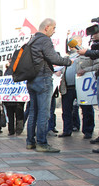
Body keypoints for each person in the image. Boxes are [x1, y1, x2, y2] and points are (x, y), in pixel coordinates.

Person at [26, 18, 72, 153]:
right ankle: (42, 143)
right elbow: (53, 58)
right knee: (43, 112)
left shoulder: (31, 40)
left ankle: (30, 141)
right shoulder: (44, 40)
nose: (54, 31)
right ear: (47, 27)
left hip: (32, 79)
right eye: (54, 28)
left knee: (33, 111)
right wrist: (68, 61)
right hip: (43, 78)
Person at [59, 35, 96, 139]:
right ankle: (67, 130)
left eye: (73, 42)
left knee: (86, 109)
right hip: (68, 87)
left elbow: (96, 65)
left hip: (82, 87)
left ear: (79, 42)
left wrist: (85, 70)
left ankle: (88, 131)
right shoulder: (66, 57)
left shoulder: (88, 54)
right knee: (66, 110)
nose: (70, 44)